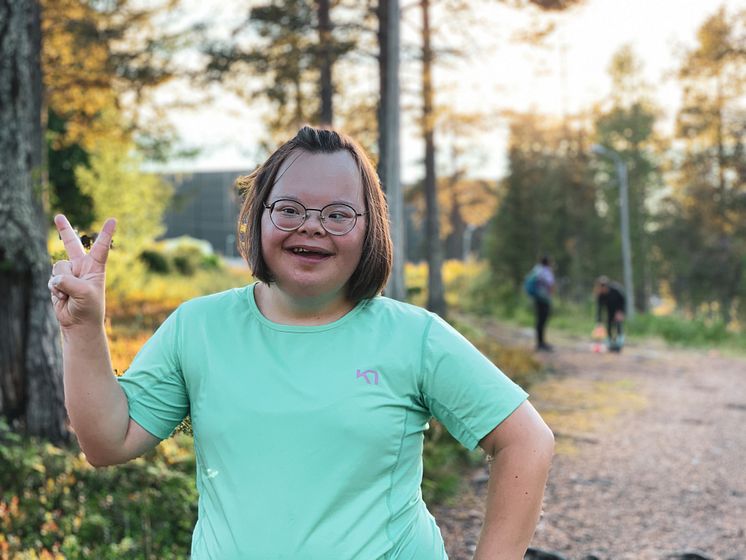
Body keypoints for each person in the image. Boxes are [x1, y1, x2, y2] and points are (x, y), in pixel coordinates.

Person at [48, 126, 554, 559]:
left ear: (369, 228)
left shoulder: (413, 336)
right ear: (259, 216)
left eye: (338, 214)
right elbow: (107, 442)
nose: (311, 227)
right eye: (289, 209)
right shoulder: (197, 328)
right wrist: (83, 329)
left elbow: (526, 440)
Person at [526, 256, 555, 352]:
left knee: (539, 320)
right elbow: (550, 284)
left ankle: (539, 343)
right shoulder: (545, 271)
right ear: (548, 262)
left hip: (537, 298)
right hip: (544, 299)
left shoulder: (536, 269)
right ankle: (541, 343)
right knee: (542, 320)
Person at [594, 275, 627, 352]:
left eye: (603, 286)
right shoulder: (600, 295)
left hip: (618, 309)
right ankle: (609, 343)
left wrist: (621, 312)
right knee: (608, 325)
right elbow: (599, 309)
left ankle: (619, 343)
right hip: (609, 311)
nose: (601, 288)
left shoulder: (615, 290)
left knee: (618, 325)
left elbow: (623, 300)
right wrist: (599, 322)